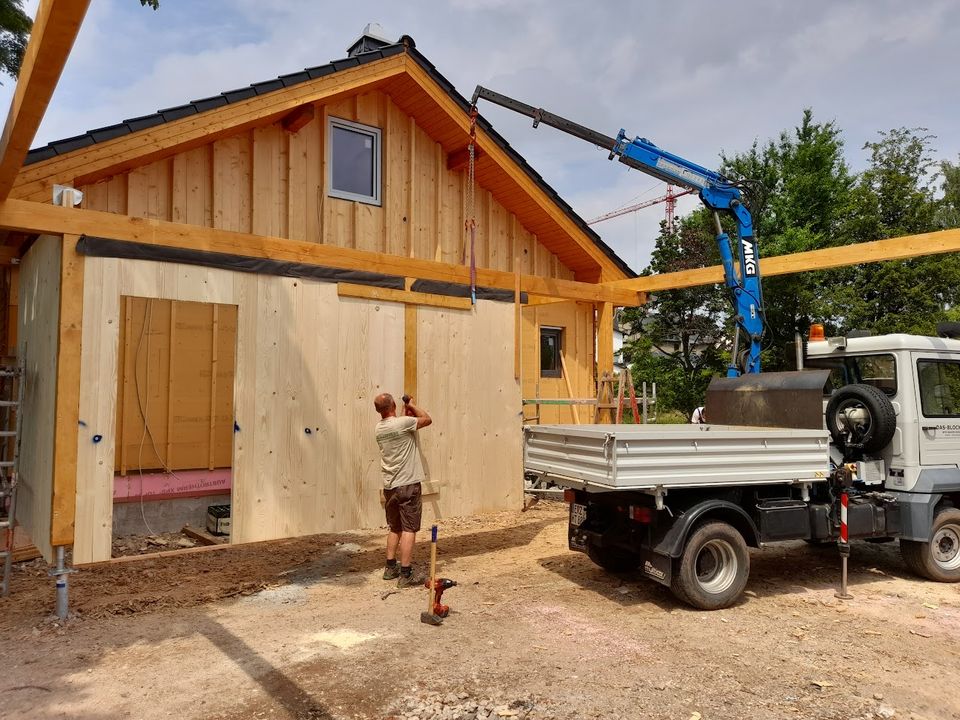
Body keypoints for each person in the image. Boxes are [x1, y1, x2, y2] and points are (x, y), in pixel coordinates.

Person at [373, 392, 432, 588]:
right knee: (409, 528)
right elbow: (427, 419)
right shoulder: (402, 423)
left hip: (390, 486)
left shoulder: (379, 428)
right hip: (408, 484)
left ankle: (390, 567)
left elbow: (403, 426)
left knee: (395, 527)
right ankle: (406, 574)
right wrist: (413, 405)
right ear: (392, 407)